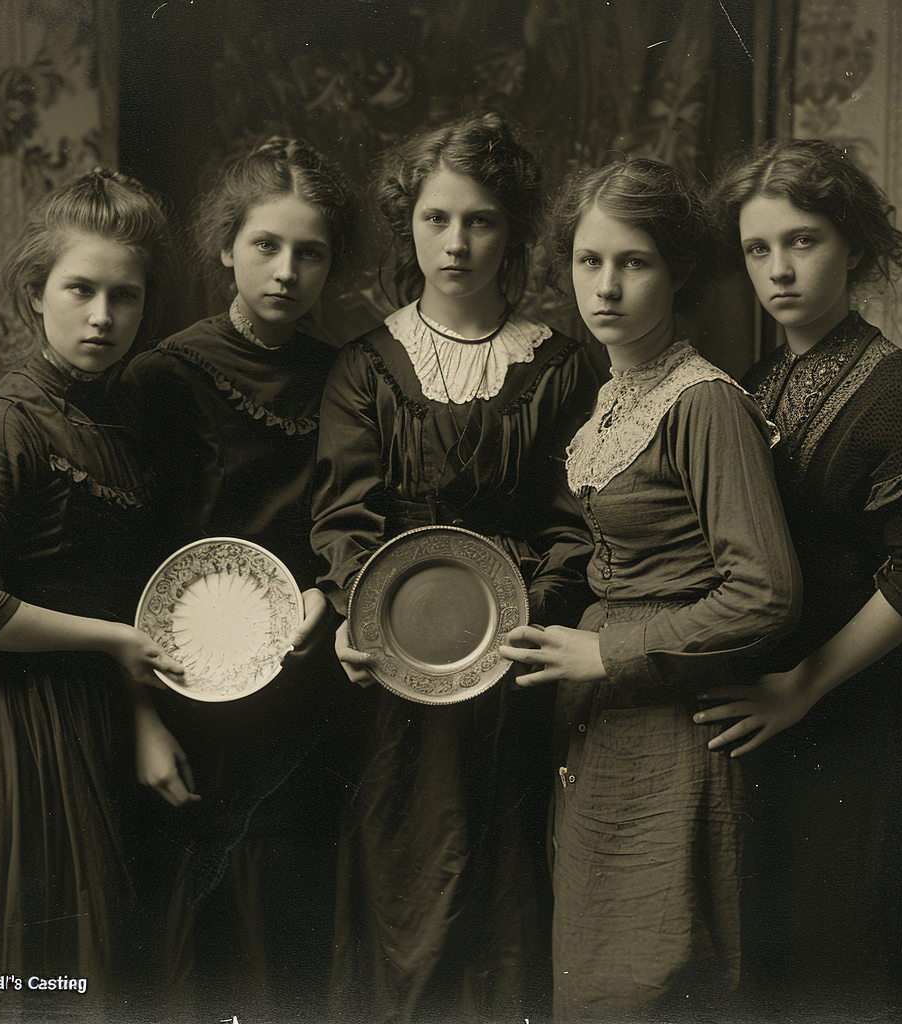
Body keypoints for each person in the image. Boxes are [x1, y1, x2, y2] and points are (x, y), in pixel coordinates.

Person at [310, 111, 600, 1023]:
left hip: (519, 670)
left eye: (479, 221)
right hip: (402, 683)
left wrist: (525, 612)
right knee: (407, 903)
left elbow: (580, 526)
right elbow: (345, 518)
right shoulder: (365, 368)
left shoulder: (560, 367)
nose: (457, 242)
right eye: (437, 219)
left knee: (513, 899)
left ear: (511, 231)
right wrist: (370, 619)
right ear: (410, 224)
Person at [499, 156, 802, 1020]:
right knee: (592, 983)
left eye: (633, 263)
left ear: (677, 272)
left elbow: (766, 593)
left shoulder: (703, 403)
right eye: (589, 263)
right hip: (604, 736)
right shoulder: (613, 400)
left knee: (651, 981)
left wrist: (607, 649)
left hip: (675, 730)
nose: (607, 287)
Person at [699, 138, 902, 1022]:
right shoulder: (761, 379)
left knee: (845, 961)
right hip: (769, 702)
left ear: (850, 244)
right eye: (758, 249)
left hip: (845, 710)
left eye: (802, 242)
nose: (779, 270)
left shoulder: (895, 393)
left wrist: (800, 690)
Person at [0, 169, 187, 1012]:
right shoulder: (3, 422)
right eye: (80, 289)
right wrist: (113, 643)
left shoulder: (119, 424)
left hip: (99, 727)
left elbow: (119, 596)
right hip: (16, 740)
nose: (104, 317)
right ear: (36, 292)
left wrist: (145, 717)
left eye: (127, 296)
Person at [122, 137, 359, 1020]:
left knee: (297, 929)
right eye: (266, 245)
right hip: (182, 696)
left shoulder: (347, 376)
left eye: (311, 252)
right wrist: (141, 720)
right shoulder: (164, 376)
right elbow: (116, 565)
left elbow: (360, 526)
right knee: (197, 943)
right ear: (226, 245)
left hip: (304, 695)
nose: (287, 270)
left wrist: (329, 596)